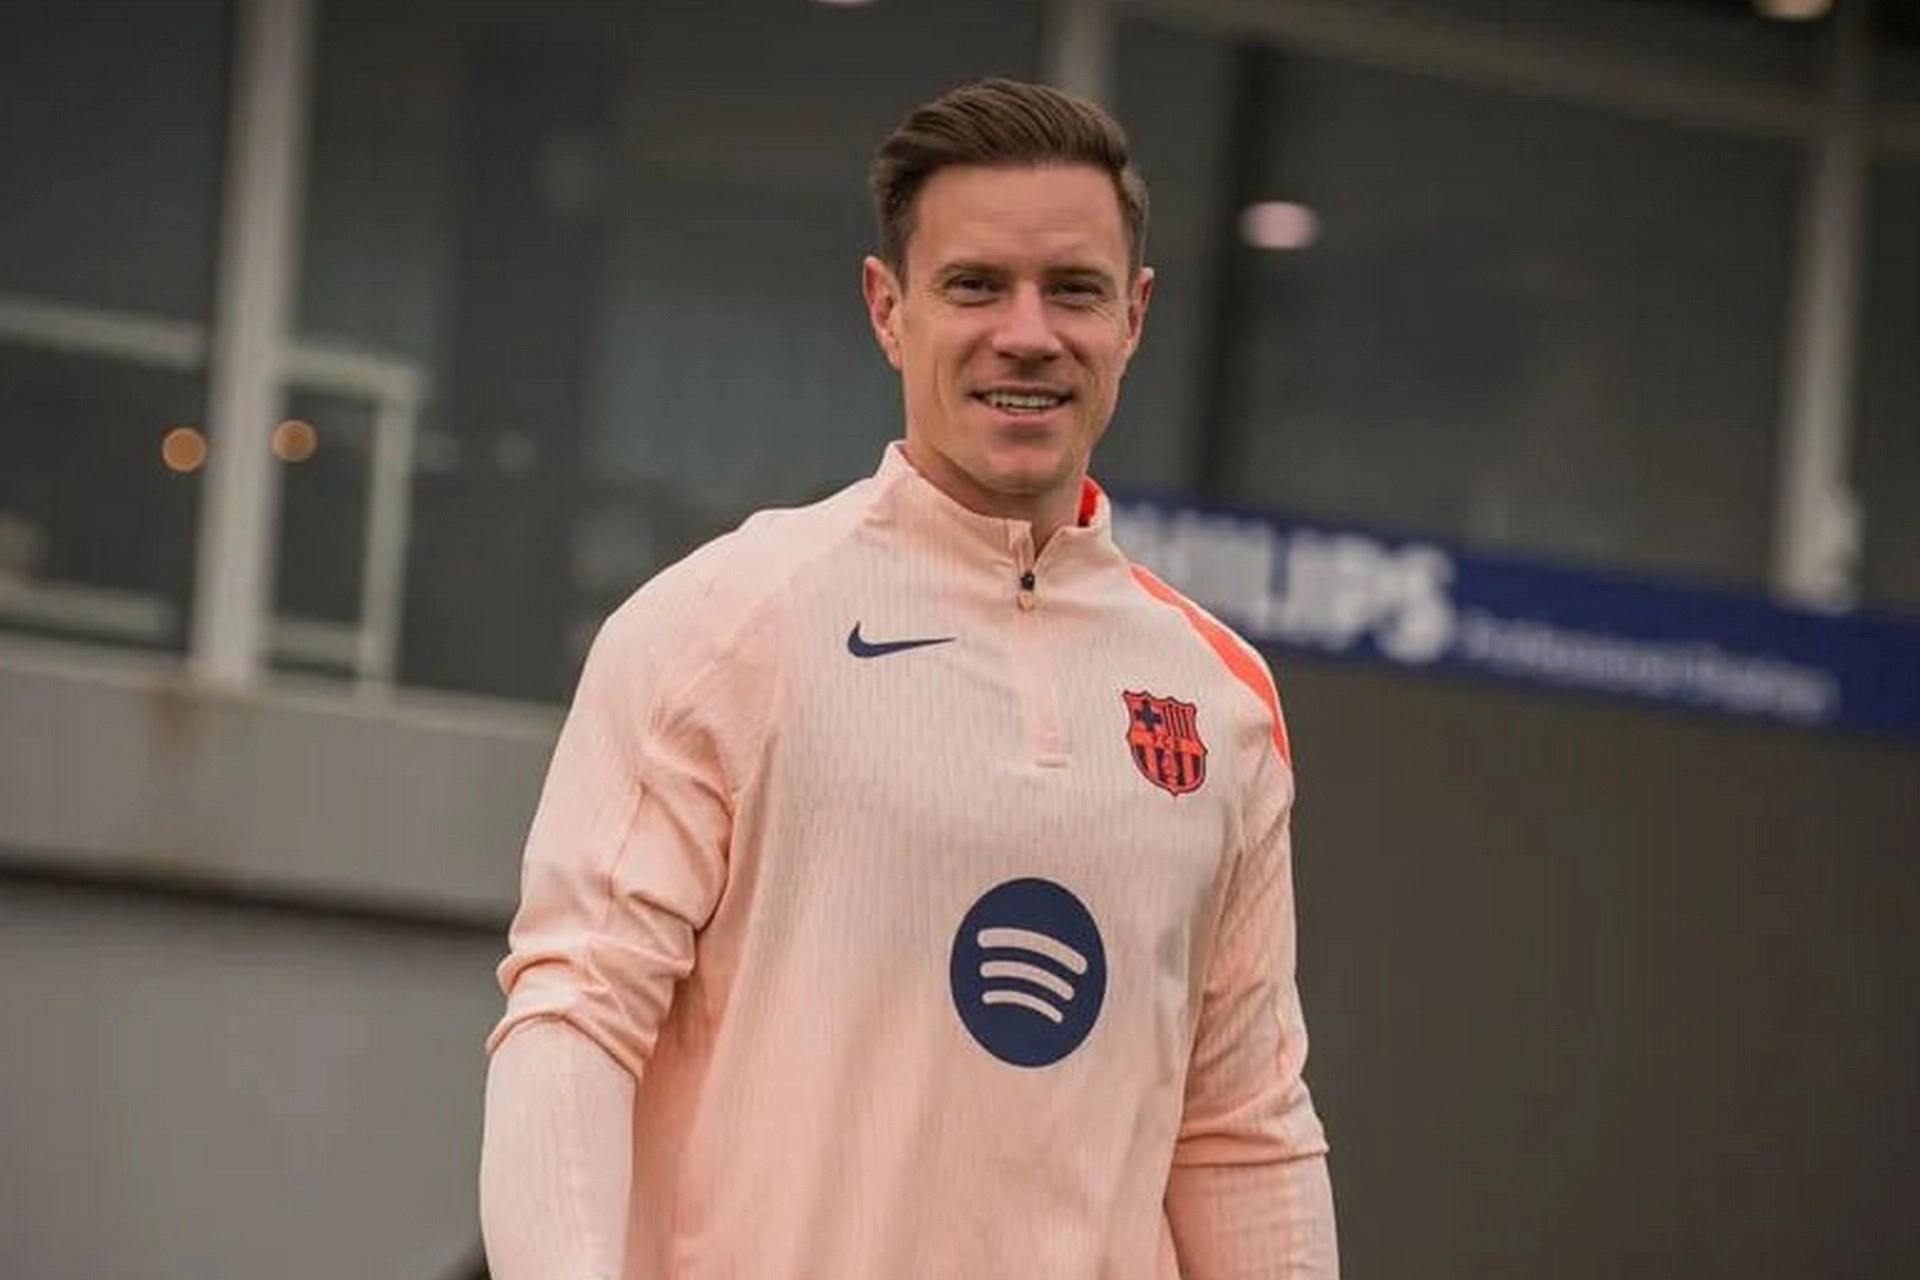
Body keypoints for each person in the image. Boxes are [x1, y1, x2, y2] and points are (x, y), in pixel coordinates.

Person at [478, 78, 1337, 1280]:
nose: (1027, 333)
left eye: (1074, 288)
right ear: (888, 309)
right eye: (975, 285)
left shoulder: (1221, 699)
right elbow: (573, 1016)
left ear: (1135, 315)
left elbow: (1244, 1125)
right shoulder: (719, 626)